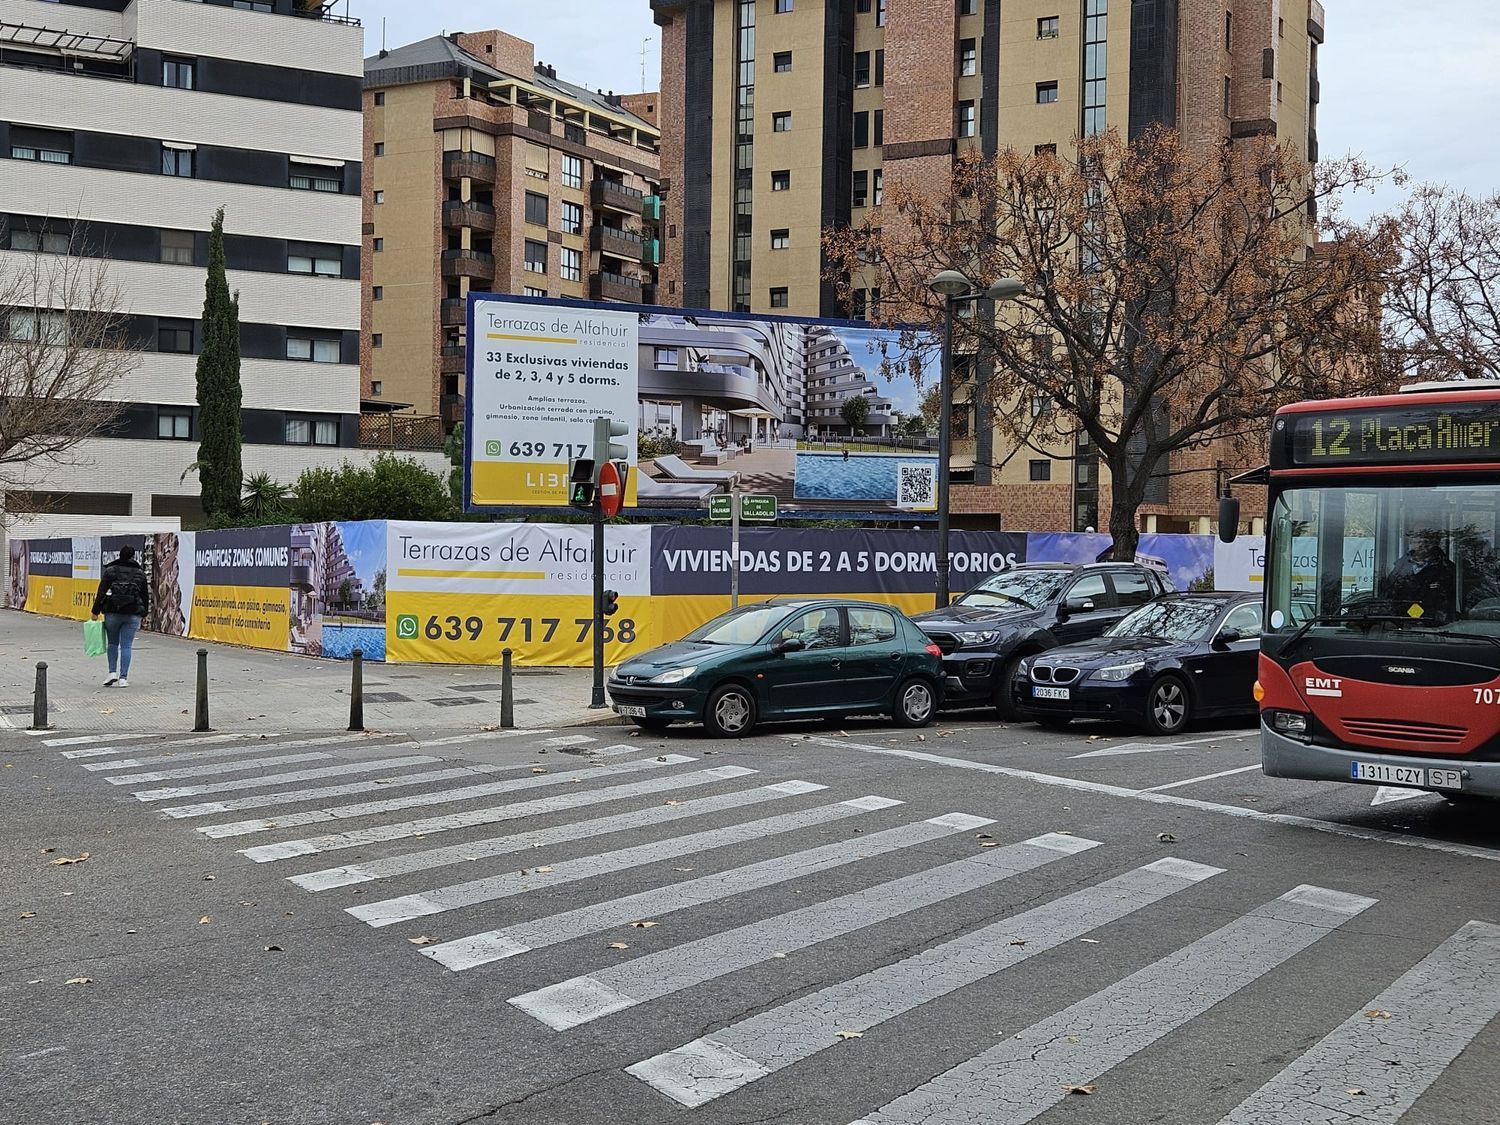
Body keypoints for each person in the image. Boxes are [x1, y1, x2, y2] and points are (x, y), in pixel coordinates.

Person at [91, 545, 150, 687]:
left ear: (119, 555)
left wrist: (95, 611)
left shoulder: (110, 571)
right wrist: (144, 613)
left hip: (112, 612)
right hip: (132, 614)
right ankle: (123, 678)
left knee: (112, 643)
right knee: (126, 646)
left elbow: (101, 592)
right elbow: (145, 595)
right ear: (133, 556)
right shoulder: (140, 573)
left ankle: (112, 673)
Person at [1382, 529, 1457, 620]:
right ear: (1410, 541)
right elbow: (1389, 597)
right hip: (1400, 622)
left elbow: (1448, 603)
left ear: (1435, 542)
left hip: (1435, 624)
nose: (1421, 543)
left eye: (1426, 539)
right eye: (1417, 538)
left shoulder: (1446, 568)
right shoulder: (1400, 567)